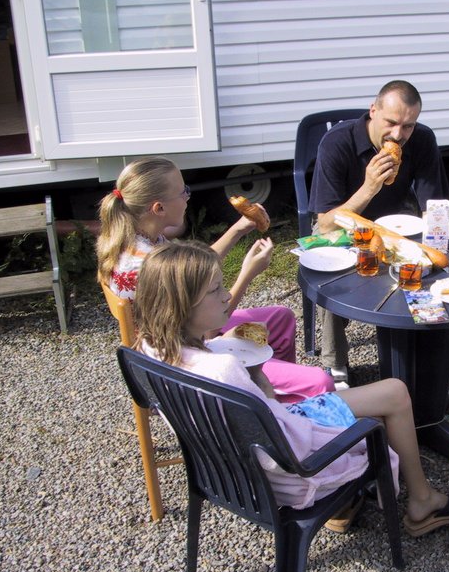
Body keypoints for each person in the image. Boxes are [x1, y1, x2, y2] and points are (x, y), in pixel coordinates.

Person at [133, 240, 449, 536]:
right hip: (294, 476)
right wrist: (260, 378)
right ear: (182, 305)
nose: (227, 295)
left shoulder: (150, 349)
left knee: (387, 398)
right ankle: (420, 501)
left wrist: (227, 352)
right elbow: (292, 444)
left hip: (230, 469)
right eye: (216, 290)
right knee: (392, 397)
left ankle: (370, 498)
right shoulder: (223, 370)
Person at [96, 156, 334, 402]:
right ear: (159, 208)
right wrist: (248, 273)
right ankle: (265, 407)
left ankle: (269, 396)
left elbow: (193, 268)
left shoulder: (136, 239)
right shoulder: (147, 267)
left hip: (175, 340)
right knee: (320, 383)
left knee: (280, 318)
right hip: (182, 363)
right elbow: (210, 328)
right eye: (183, 192)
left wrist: (238, 229)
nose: (187, 197)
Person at [309, 80, 449, 386]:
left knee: (425, 265)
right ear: (373, 111)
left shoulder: (422, 138)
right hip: (346, 224)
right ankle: (335, 363)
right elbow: (326, 223)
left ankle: (422, 344)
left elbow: (433, 206)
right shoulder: (337, 143)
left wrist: (435, 240)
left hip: (398, 223)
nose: (398, 135)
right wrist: (369, 187)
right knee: (332, 271)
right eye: (391, 123)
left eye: (408, 126)